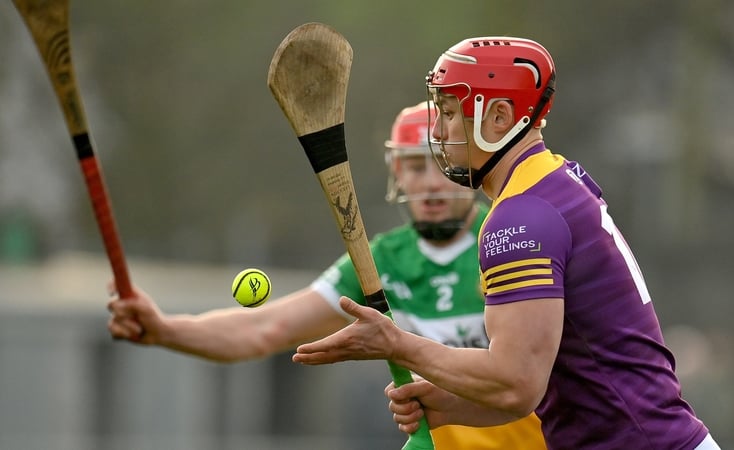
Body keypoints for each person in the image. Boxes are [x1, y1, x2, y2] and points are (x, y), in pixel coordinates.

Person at [292, 37, 722, 450]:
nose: (438, 132)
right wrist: (452, 405)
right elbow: (538, 386)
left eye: (448, 113)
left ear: (498, 117)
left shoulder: (520, 219)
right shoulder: (554, 181)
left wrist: (396, 344)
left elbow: (516, 380)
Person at [106, 101, 547, 450]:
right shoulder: (380, 263)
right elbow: (264, 328)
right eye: (415, 167)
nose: (431, 184)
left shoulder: (512, 237)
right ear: (398, 174)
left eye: (440, 165)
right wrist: (165, 329)